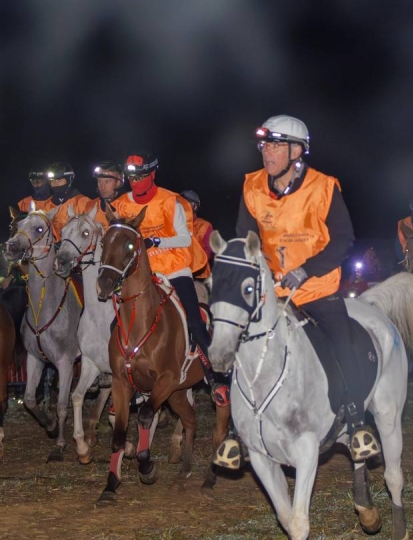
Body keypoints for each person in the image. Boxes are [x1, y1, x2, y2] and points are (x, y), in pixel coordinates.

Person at [235, 114, 378, 460]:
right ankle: (234, 431)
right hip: (272, 294)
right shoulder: (252, 186)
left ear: (296, 151)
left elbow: (343, 239)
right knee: (236, 338)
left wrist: (305, 270)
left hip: (315, 291)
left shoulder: (324, 187)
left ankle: (357, 422)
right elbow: (245, 239)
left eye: (275, 145)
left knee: (343, 342)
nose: (266, 153)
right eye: (264, 145)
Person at [115, 151, 223, 405]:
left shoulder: (170, 201)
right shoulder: (121, 204)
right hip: (143, 274)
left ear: (152, 174)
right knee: (116, 321)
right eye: (131, 177)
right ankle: (120, 376)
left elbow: (185, 238)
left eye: (140, 176)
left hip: (175, 270)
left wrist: (155, 240)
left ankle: (217, 376)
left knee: (194, 322)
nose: (135, 181)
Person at [180, 190, 214, 279]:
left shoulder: (204, 225)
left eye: (185, 203)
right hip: (177, 274)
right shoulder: (175, 226)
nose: (181, 206)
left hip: (199, 276)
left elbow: (207, 254)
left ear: (194, 206)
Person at [85, 160, 128, 227]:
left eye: (107, 182)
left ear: (118, 183)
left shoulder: (128, 206)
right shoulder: (90, 206)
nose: (102, 187)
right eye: (100, 181)